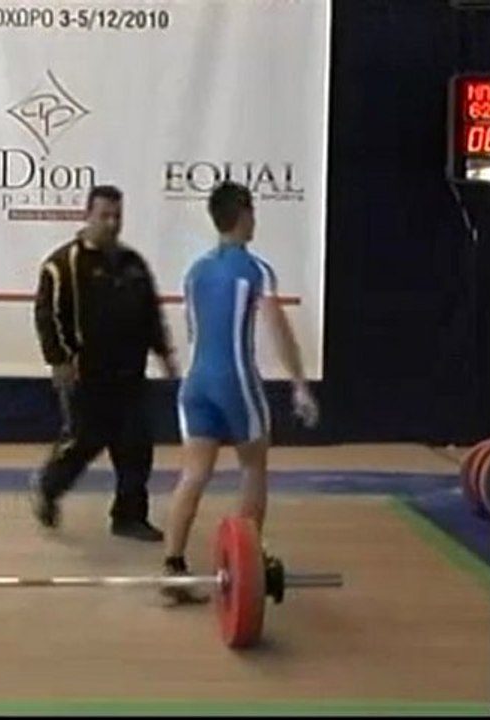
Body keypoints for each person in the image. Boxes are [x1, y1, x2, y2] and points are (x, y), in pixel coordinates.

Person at [160, 181, 318, 603]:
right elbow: (278, 328)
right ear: (244, 215)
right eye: (253, 212)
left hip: (195, 385)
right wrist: (300, 385)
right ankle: (245, 565)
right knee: (253, 466)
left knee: (193, 474)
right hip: (235, 382)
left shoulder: (194, 271)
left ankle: (172, 567)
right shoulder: (255, 269)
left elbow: (197, 331)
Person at [30, 185, 179, 541]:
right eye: (104, 216)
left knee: (136, 446)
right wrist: (60, 361)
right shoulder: (62, 265)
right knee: (84, 442)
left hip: (129, 373)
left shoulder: (133, 264)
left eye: (117, 216)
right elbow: (46, 317)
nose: (112, 223)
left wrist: (164, 352)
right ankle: (49, 489)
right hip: (86, 375)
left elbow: (150, 313)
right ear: (88, 215)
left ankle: (129, 517)